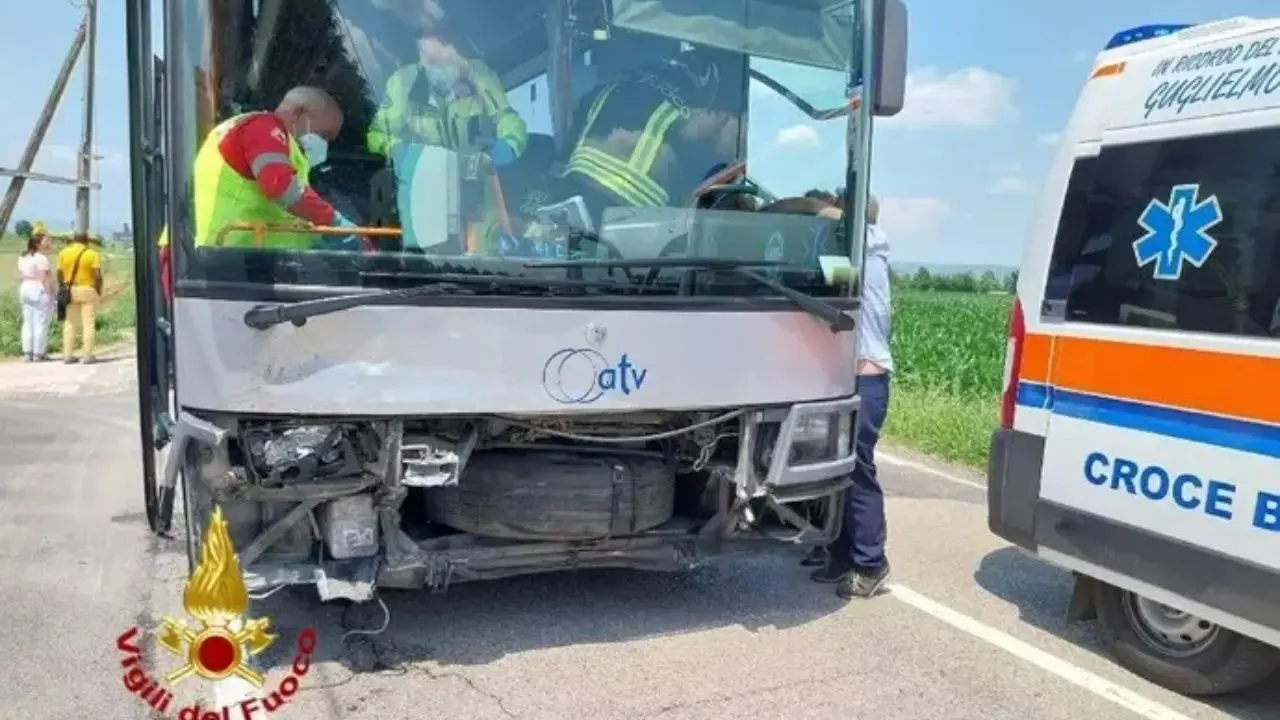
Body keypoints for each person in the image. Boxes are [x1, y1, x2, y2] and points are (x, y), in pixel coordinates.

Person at [367, 22, 527, 253]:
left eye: (442, 61)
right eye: (429, 62)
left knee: (487, 262)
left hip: (477, 187)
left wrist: (510, 144)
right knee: (430, 260)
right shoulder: (403, 83)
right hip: (426, 188)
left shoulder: (479, 75)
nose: (436, 68)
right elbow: (377, 134)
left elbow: (507, 118)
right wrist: (397, 150)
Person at [805, 195, 894, 599]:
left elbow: (826, 219)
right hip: (851, 375)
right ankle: (840, 552)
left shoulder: (863, 253)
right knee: (835, 471)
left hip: (866, 378)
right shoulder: (863, 252)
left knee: (858, 468)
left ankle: (872, 562)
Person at [554, 43, 739, 226]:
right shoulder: (691, 110)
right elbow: (702, 165)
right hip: (630, 204)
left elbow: (574, 130)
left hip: (574, 185)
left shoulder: (614, 85)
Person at [193, 86, 357, 249]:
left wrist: (315, 240)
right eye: (323, 135)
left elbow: (284, 213)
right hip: (221, 256)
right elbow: (280, 185)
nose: (324, 145)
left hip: (244, 257)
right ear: (298, 114)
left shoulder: (287, 150)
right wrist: (333, 222)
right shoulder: (263, 127)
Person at [57, 232, 103, 364]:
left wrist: (63, 286)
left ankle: (67, 355)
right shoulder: (92, 254)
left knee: (70, 323)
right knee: (88, 324)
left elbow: (59, 273)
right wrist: (98, 289)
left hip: (70, 290)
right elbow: (97, 275)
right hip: (88, 289)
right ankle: (88, 355)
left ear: (73, 240)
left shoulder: (64, 253)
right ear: (87, 241)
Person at [14, 220, 53, 362]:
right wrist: (51, 295)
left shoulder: (23, 256)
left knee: (28, 322)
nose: (48, 243)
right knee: (41, 322)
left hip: (25, 288)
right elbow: (43, 279)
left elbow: (21, 275)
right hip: (38, 289)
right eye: (46, 240)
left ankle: (27, 352)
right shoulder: (41, 258)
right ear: (38, 243)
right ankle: (39, 353)